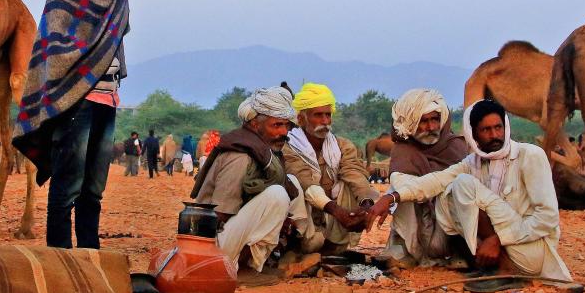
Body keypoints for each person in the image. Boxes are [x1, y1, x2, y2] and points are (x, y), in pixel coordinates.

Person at [367, 99, 582, 293]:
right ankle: (493, 266)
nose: (494, 135)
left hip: (531, 252)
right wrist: (392, 197)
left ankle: (503, 269)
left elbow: (547, 218)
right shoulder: (473, 162)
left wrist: (497, 239)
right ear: (474, 134)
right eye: (486, 130)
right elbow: (434, 181)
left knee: (463, 185)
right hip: (500, 247)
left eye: (498, 128)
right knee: (448, 193)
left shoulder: (530, 155)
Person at [13, 0, 130, 250]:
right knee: (68, 186)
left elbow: (111, 36)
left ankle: (90, 258)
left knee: (94, 189)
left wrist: (103, 61)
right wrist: (85, 61)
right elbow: (51, 38)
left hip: (107, 96)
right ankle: (60, 262)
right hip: (76, 97)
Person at [193, 87, 304, 272]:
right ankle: (237, 267)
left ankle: (272, 256)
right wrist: (272, 217)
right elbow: (221, 215)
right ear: (254, 124)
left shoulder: (264, 151)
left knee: (291, 182)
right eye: (277, 125)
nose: (284, 132)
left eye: (287, 126)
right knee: (277, 195)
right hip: (210, 244)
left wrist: (279, 219)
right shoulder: (240, 157)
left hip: (231, 234)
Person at [280, 83, 374, 257]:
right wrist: (338, 212)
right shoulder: (288, 147)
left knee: (352, 184)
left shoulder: (342, 146)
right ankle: (299, 247)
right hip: (307, 221)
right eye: (318, 115)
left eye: (328, 115)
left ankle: (335, 243)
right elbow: (305, 181)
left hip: (333, 220)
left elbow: (355, 173)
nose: (325, 121)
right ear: (301, 119)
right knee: (295, 185)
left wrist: (367, 205)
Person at [382, 88, 468, 270]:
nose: (431, 128)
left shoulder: (457, 147)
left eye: (435, 120)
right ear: (411, 123)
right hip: (422, 228)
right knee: (398, 190)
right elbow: (407, 188)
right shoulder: (403, 152)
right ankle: (407, 250)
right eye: (423, 121)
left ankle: (460, 252)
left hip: (450, 230)